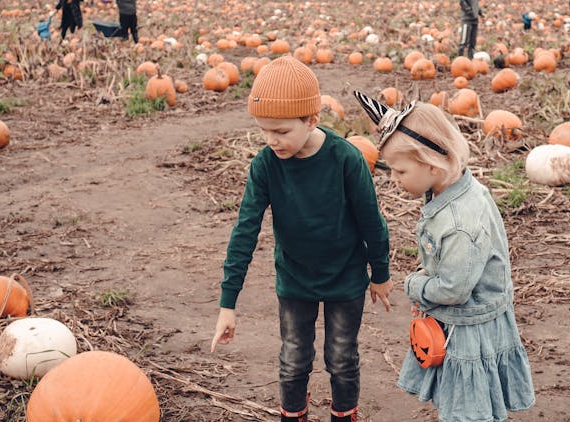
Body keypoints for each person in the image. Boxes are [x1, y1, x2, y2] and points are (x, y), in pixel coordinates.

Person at [211, 56, 393, 422]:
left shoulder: (347, 159)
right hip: (295, 279)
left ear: (312, 120)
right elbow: (245, 231)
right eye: (264, 130)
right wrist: (227, 304)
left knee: (341, 358)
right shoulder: (265, 164)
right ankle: (293, 414)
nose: (271, 140)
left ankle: (344, 414)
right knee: (294, 359)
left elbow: (371, 220)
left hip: (346, 277)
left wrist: (381, 273)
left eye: (280, 132)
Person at [354, 93, 536, 422]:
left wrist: (415, 285)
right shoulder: (456, 189)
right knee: (468, 401)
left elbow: (453, 289)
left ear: (431, 164)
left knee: (467, 410)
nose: (394, 180)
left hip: (469, 325)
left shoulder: (459, 223)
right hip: (470, 315)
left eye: (400, 171)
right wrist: (429, 288)